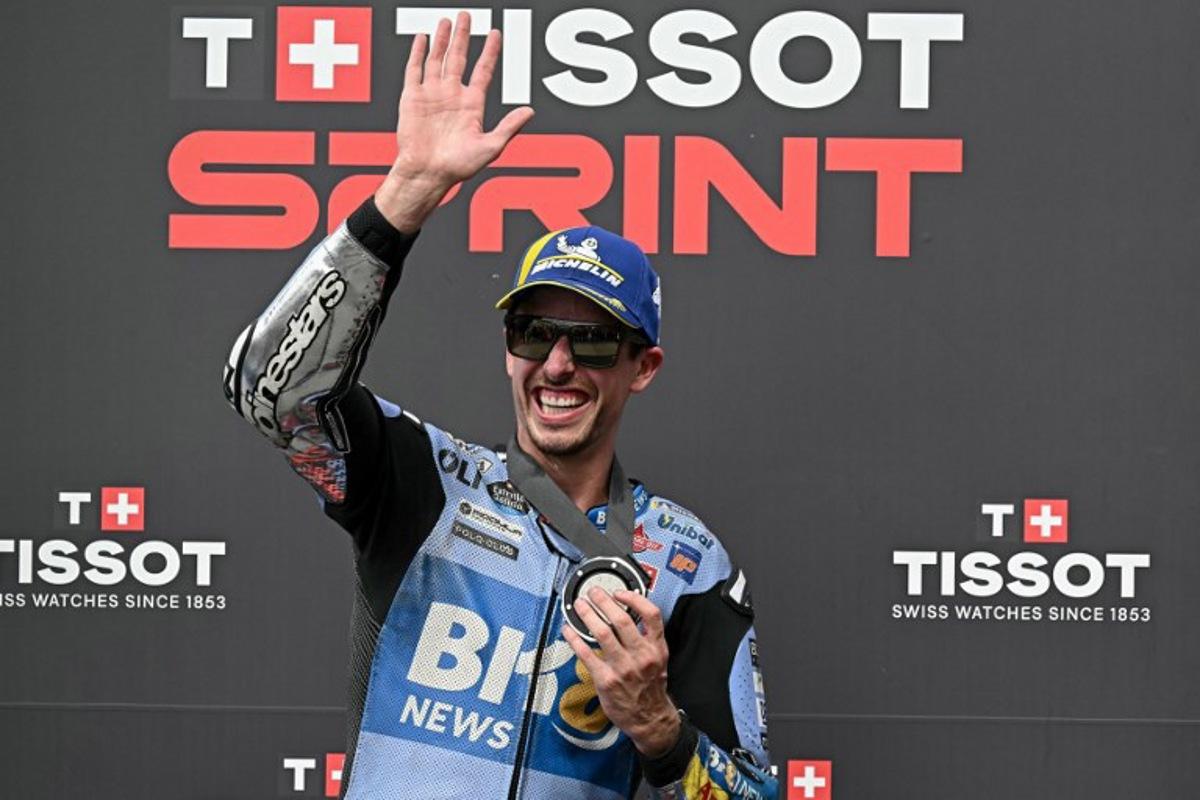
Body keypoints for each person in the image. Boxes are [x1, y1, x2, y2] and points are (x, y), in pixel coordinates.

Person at [224, 13, 776, 800]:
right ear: (508, 345)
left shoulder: (691, 564)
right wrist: (403, 200)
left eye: (589, 343)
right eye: (532, 331)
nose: (556, 363)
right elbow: (266, 392)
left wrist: (658, 726)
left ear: (642, 367)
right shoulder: (421, 480)